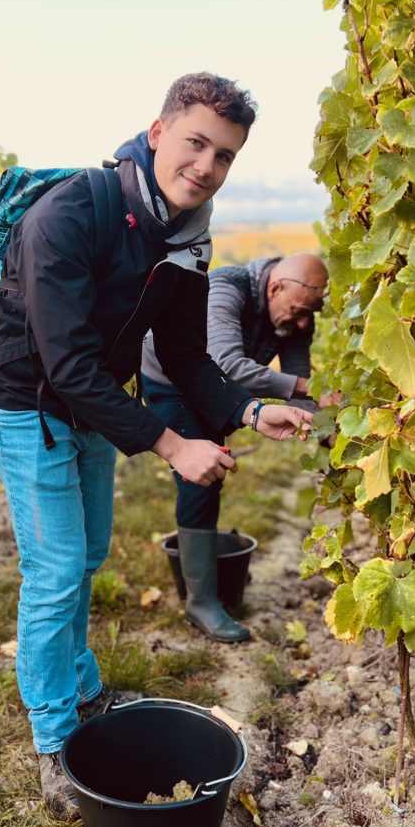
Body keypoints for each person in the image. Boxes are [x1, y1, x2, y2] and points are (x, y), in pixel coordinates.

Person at [0, 72, 312, 820]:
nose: (206, 166)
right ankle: (56, 741)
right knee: (56, 570)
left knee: (87, 555)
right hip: (28, 400)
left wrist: (249, 413)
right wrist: (170, 442)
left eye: (224, 155)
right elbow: (65, 366)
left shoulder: (186, 236)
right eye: (196, 143)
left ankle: (84, 686)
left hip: (91, 403)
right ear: (157, 133)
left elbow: (188, 355)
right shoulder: (70, 214)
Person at [140, 252, 329, 643]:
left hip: (216, 389)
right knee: (200, 479)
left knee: (215, 471)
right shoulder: (227, 288)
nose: (304, 322)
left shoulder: (295, 315)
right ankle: (201, 601)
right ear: (275, 288)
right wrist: (308, 390)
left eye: (312, 312)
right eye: (299, 310)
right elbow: (226, 363)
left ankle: (206, 577)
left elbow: (298, 382)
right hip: (171, 380)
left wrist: (329, 431)